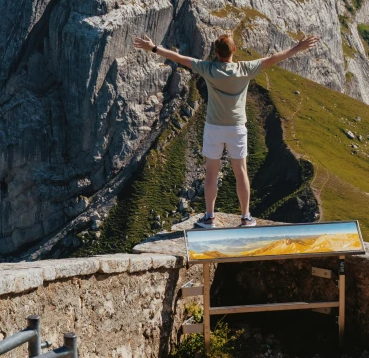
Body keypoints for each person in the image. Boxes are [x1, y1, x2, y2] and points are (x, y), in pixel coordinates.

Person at [134, 32, 319, 228]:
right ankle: (246, 217)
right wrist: (299, 47)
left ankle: (209, 217)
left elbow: (179, 58)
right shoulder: (245, 69)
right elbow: (274, 58)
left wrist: (153, 48)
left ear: (215, 52)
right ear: (234, 50)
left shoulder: (208, 69)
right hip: (237, 128)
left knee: (211, 174)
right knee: (241, 173)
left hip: (214, 127)